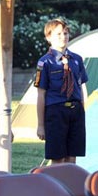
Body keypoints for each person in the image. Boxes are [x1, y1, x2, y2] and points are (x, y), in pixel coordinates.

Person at [35, 18, 88, 164]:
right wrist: (40, 124)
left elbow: (81, 87)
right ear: (48, 37)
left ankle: (69, 186)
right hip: (56, 111)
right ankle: (55, 186)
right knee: (58, 157)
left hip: (75, 111)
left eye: (65, 33)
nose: (63, 37)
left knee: (72, 156)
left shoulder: (77, 59)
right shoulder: (45, 62)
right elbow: (41, 94)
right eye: (58, 34)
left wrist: (81, 110)